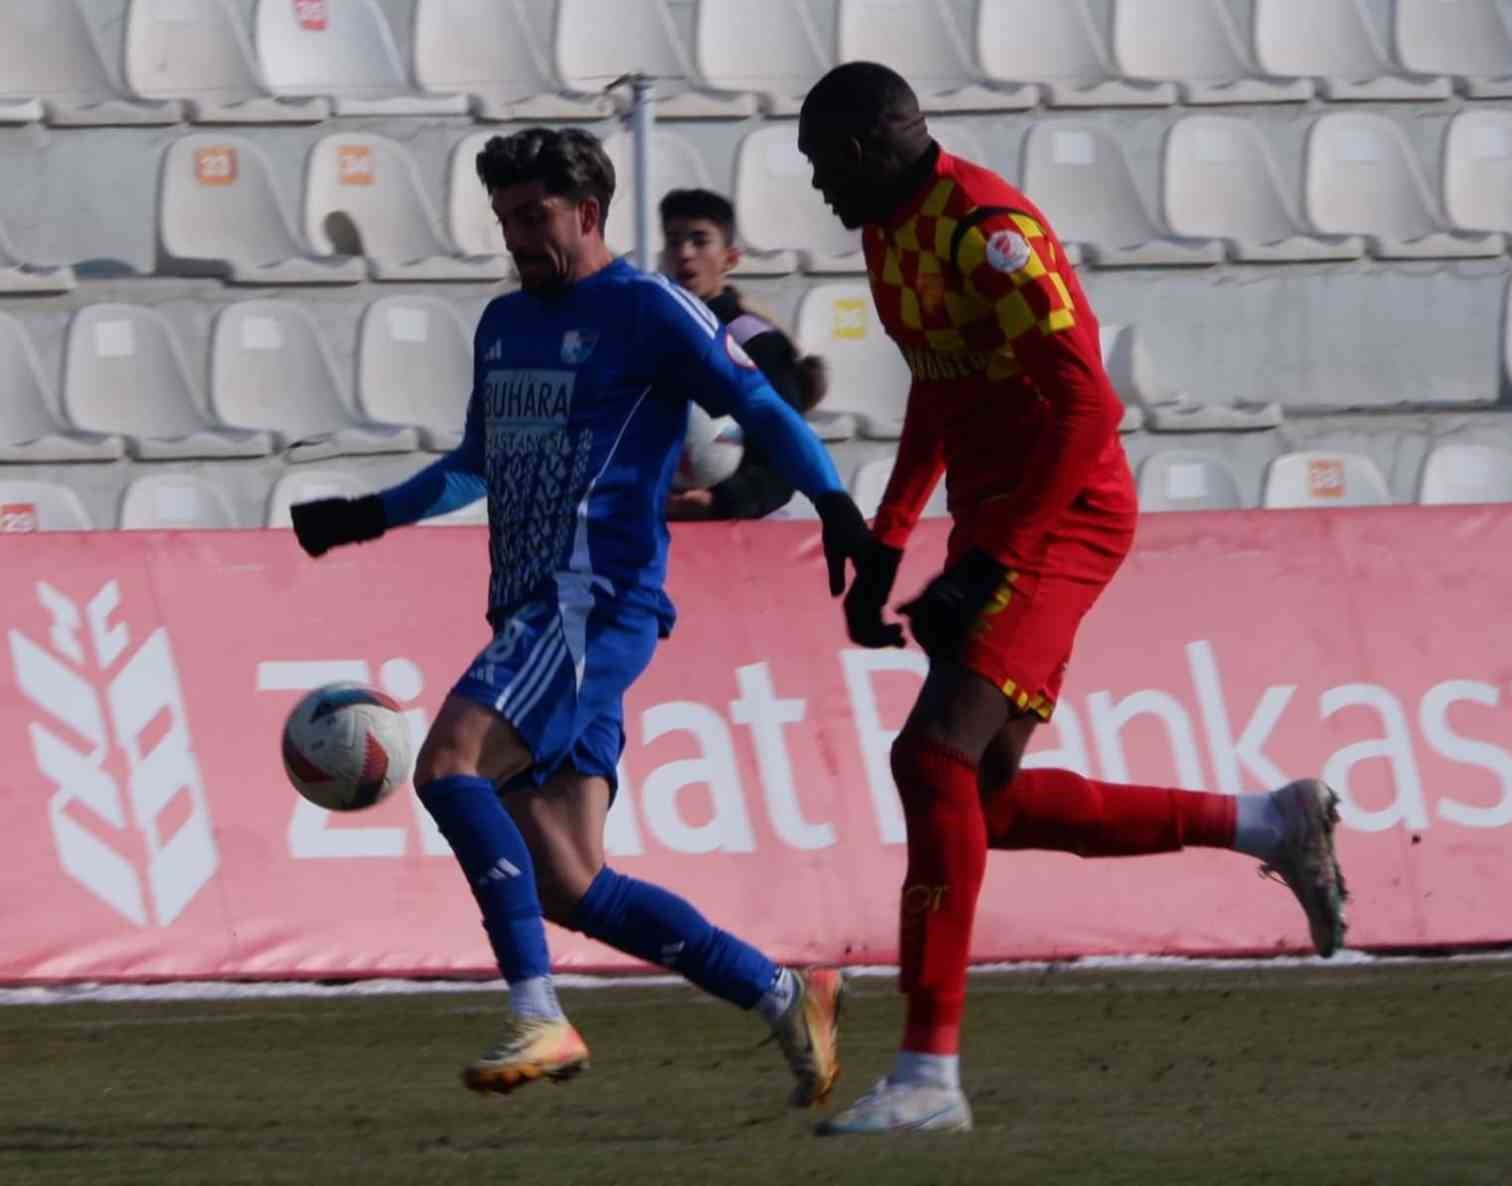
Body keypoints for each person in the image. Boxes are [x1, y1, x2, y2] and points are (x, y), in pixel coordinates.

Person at [797, 62, 1350, 1136]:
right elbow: (939, 385)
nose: (819, 190)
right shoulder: (887, 234)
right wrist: (893, 536)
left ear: (861, 153)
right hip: (997, 522)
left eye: (823, 167)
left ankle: (926, 1074)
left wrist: (995, 558)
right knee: (985, 799)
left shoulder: (986, 228)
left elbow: (1084, 404)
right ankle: (1268, 822)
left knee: (931, 759)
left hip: (1064, 514)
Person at [288, 128, 876, 1108]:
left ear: (588, 214)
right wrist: (368, 514)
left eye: (534, 217)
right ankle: (784, 992)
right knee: (569, 883)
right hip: (533, 606)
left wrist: (835, 505)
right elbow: (475, 463)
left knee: (447, 765)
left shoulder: (646, 309)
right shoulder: (503, 324)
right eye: (506, 218)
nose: (517, 236)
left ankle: (537, 1009)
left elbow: (761, 403)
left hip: (591, 601)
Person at [657, 187, 828, 521]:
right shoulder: (648, 337)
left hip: (740, 531)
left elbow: (784, 459)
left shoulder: (758, 342)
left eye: (700, 240)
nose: (685, 253)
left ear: (730, 259)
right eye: (674, 241)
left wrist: (721, 501)